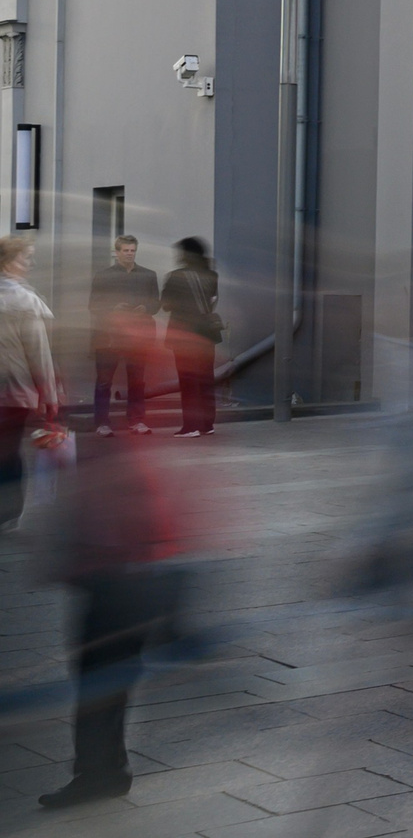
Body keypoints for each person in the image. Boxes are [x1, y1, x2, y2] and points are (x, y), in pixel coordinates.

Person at [37, 381, 192, 809]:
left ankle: (100, 773)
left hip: (119, 576)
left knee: (97, 677)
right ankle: (105, 769)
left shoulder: (116, 443)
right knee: (103, 677)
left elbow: (133, 508)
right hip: (123, 571)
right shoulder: (119, 441)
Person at [0, 235, 61, 530]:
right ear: (8, 263)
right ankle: (9, 513)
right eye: (26, 258)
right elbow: (39, 354)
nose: (30, 264)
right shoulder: (24, 302)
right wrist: (49, 395)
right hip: (12, 392)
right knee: (9, 452)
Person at [88, 235, 159, 436]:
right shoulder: (103, 275)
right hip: (109, 336)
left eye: (132, 250)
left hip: (137, 336)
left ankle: (136, 421)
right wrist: (113, 308)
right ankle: (102, 423)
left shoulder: (148, 275)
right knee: (104, 381)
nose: (129, 254)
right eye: (126, 250)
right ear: (117, 252)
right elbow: (93, 305)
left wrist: (145, 307)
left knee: (137, 380)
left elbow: (156, 303)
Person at [159, 238, 221, 438]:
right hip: (207, 335)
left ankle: (190, 426)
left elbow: (166, 304)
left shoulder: (176, 276)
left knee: (188, 381)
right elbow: (212, 301)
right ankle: (206, 424)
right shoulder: (212, 275)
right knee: (205, 380)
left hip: (185, 336)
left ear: (187, 254)